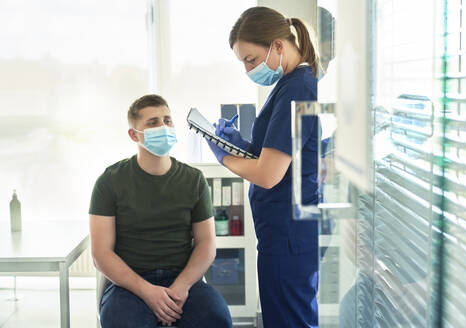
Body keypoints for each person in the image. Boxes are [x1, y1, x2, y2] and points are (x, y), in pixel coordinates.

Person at [207, 7, 320, 328]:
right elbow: (273, 154)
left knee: (289, 320)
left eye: (251, 59)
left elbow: (270, 174)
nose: (247, 69)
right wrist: (238, 144)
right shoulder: (288, 85)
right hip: (283, 231)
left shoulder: (297, 89)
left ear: (278, 46)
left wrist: (224, 156)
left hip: (288, 233)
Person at [89, 94, 232, 328]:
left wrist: (181, 287)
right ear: (134, 135)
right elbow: (101, 254)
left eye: (167, 120)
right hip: (129, 284)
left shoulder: (193, 180)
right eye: (153, 122)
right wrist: (148, 292)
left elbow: (207, 244)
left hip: (183, 280)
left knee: (217, 319)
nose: (163, 127)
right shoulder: (109, 181)